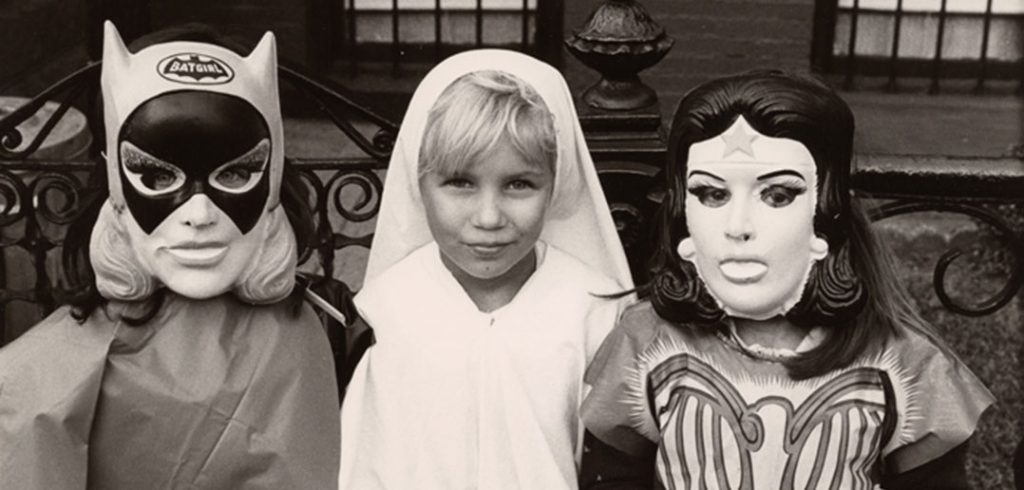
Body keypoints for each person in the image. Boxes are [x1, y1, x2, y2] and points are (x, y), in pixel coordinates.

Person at [578, 71, 994, 489]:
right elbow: (611, 477)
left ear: (826, 210)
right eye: (712, 194)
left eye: (777, 195)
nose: (738, 226)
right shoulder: (647, 342)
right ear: (682, 212)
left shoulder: (903, 365)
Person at [0, 22, 340, 489]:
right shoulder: (55, 365)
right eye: (157, 178)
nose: (199, 213)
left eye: (236, 173)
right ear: (114, 187)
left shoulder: (323, 325)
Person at [338, 49, 634, 489]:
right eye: (460, 182)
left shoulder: (594, 310)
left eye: (519, 184)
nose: (489, 217)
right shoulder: (387, 311)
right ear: (417, 183)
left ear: (556, 184)